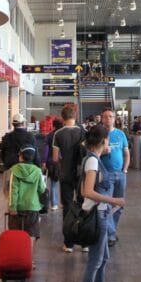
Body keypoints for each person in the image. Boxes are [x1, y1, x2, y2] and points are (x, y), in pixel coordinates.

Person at [79, 125, 125, 282]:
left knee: (103, 257)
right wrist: (113, 200)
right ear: (102, 141)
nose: (110, 145)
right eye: (108, 140)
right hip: (97, 216)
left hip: (102, 213)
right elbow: (87, 191)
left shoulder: (93, 160)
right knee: (95, 260)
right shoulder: (92, 161)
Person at [52, 106, 86, 253]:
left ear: (62, 117)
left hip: (65, 174)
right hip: (81, 174)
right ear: (75, 116)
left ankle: (68, 243)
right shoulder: (83, 132)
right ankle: (85, 243)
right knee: (83, 205)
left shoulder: (58, 134)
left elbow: (54, 157)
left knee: (67, 207)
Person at [8, 145, 46, 266]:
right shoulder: (37, 171)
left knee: (16, 233)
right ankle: (29, 260)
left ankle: (17, 259)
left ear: (21, 156)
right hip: (33, 207)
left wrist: (12, 207)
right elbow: (42, 189)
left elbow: (13, 190)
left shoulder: (15, 170)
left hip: (18, 208)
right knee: (31, 234)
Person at [100, 108, 130, 247]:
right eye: (105, 117)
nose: (108, 119)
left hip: (120, 174)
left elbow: (126, 153)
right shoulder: (99, 134)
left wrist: (125, 169)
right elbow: (91, 152)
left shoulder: (120, 134)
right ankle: (110, 234)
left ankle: (111, 230)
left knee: (118, 204)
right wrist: (103, 152)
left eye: (110, 116)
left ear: (114, 119)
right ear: (102, 118)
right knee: (106, 205)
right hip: (106, 174)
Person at [1, 113, 40, 197]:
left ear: (12, 124)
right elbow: (35, 154)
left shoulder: (6, 137)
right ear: (23, 123)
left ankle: (11, 208)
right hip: (28, 169)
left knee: (10, 192)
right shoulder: (30, 136)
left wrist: (7, 164)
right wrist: (38, 167)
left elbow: (3, 154)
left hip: (10, 168)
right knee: (26, 192)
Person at [42, 119, 63, 211]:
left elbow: (46, 150)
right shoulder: (63, 134)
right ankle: (63, 202)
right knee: (63, 183)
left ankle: (54, 204)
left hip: (51, 162)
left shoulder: (49, 136)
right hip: (62, 161)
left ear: (53, 126)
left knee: (53, 183)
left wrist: (44, 161)